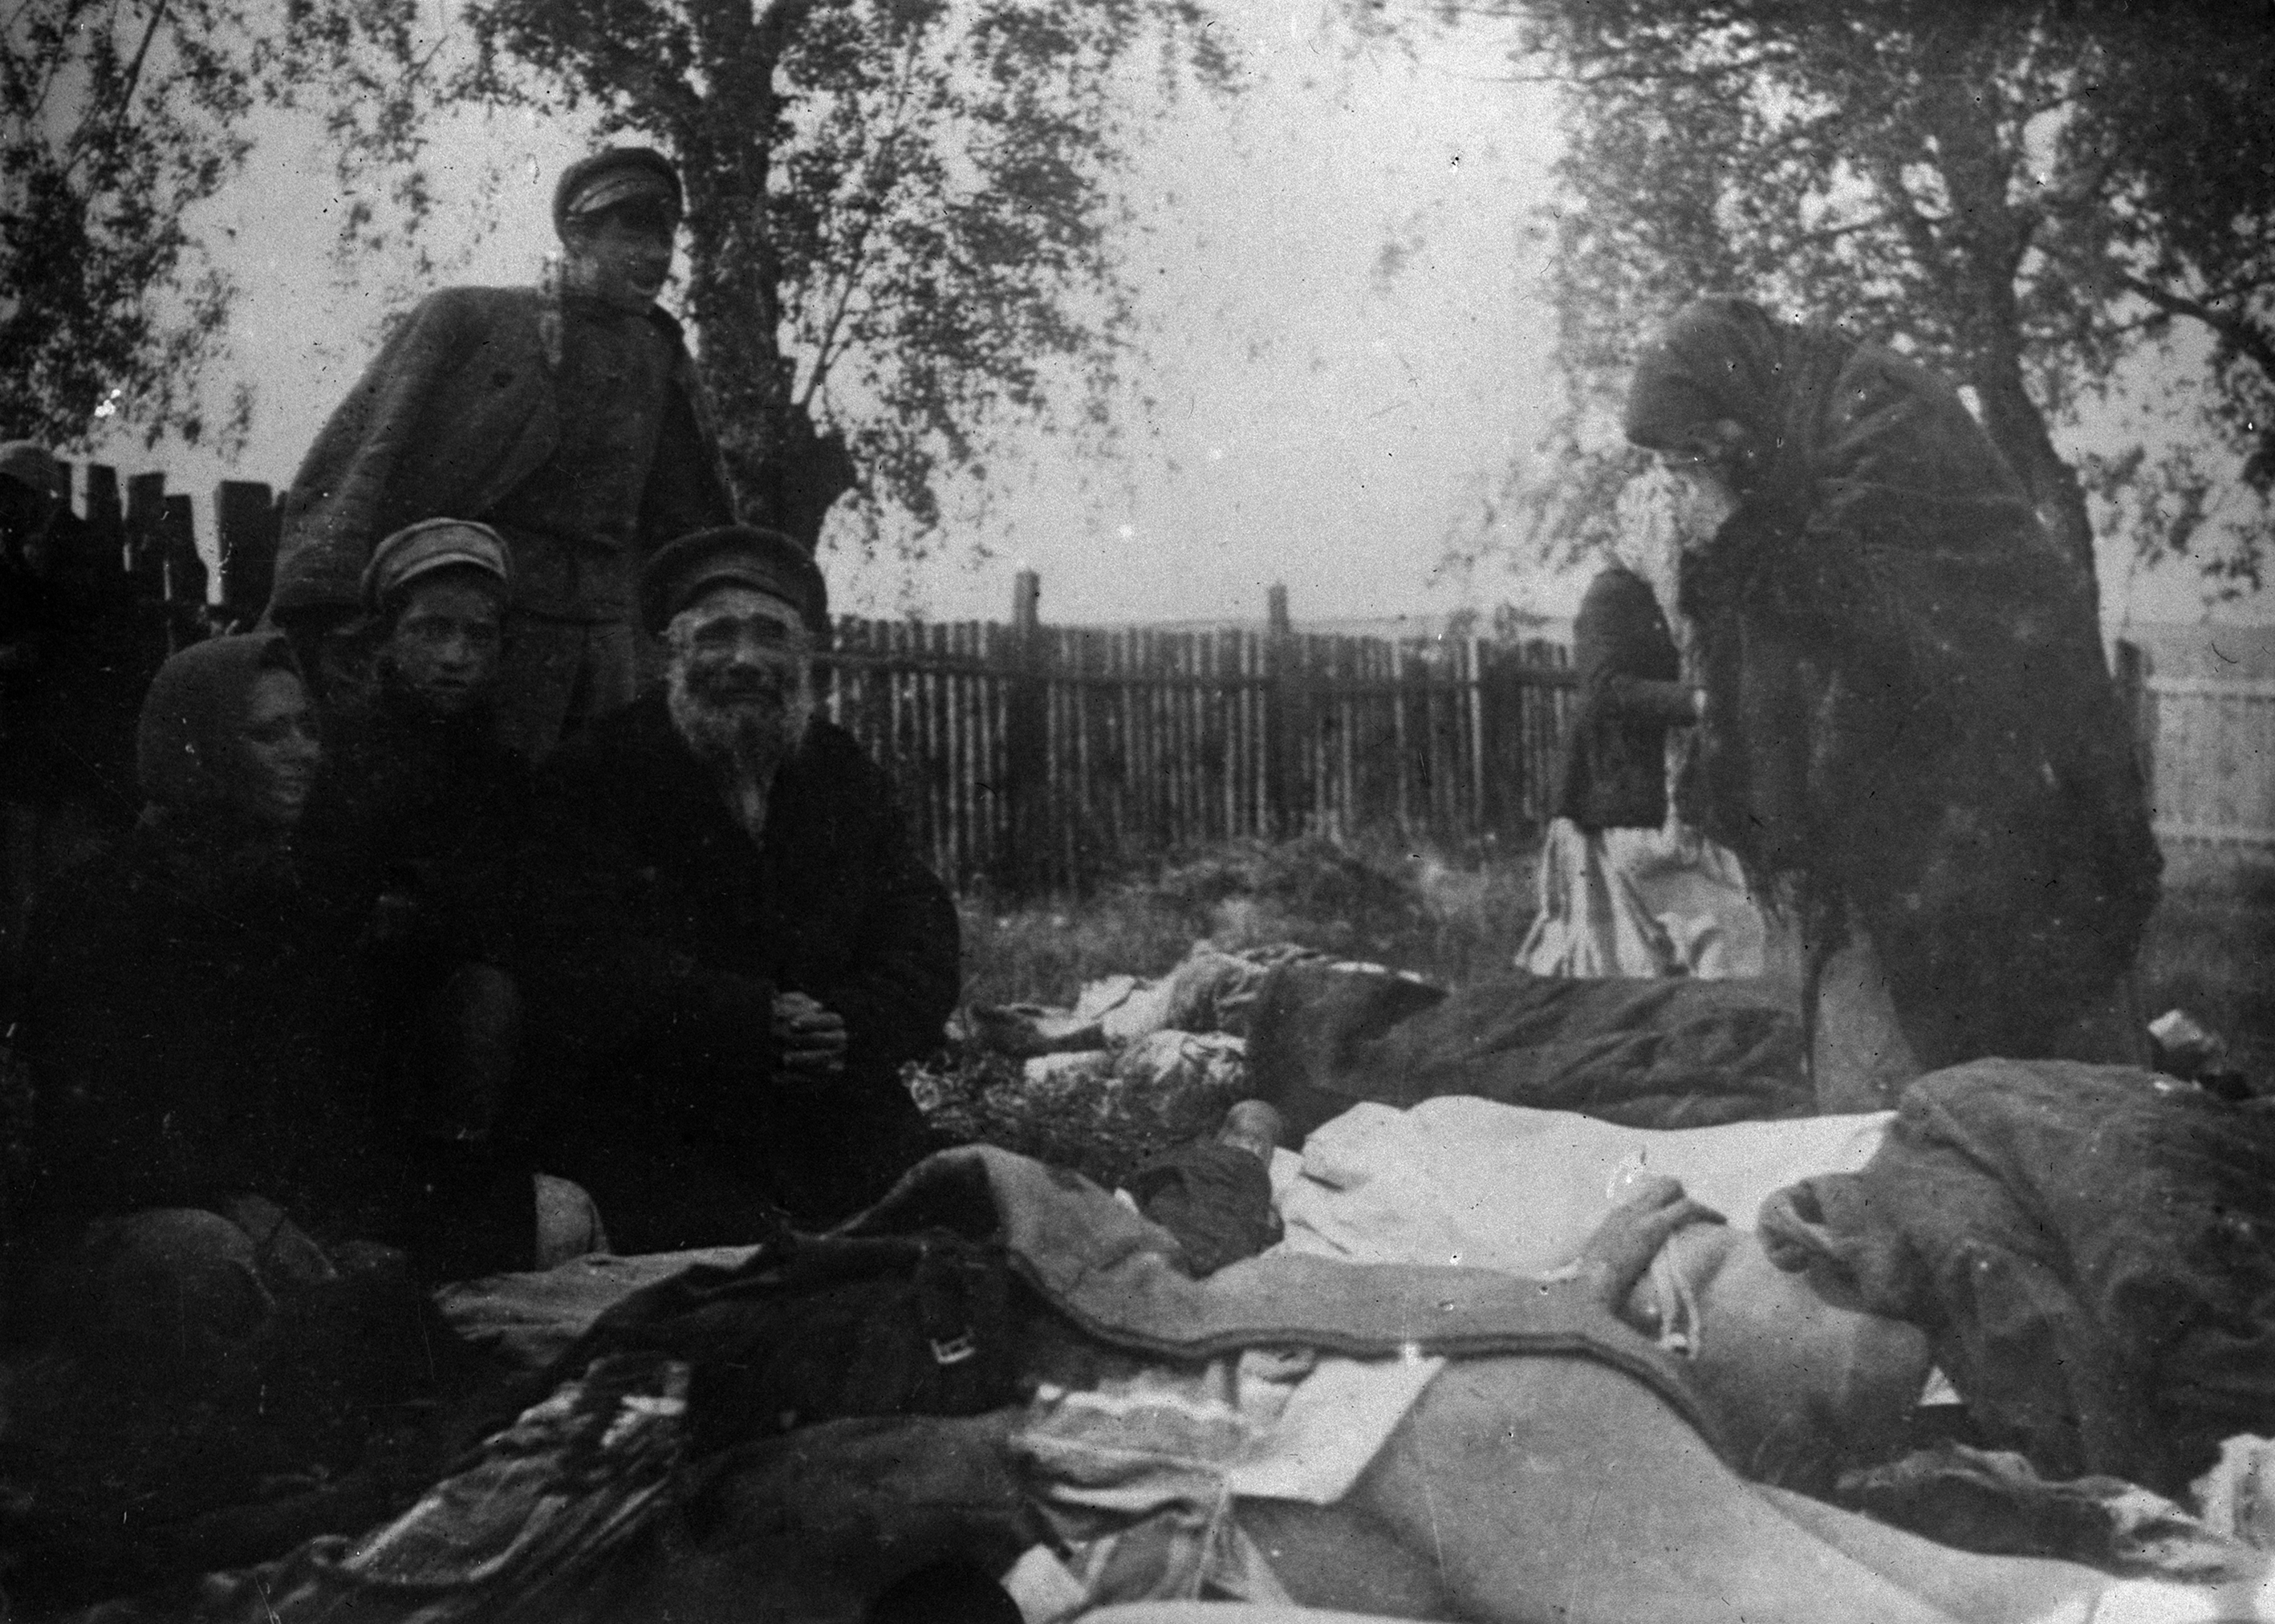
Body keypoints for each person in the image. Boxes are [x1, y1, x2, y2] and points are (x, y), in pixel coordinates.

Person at [1621, 295, 2161, 1108]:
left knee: (2043, 1101)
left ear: (1737, 401)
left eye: (1694, 452)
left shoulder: (1883, 413)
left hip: (2007, 819)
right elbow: (1782, 631)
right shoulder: (1787, 445)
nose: (1690, 475)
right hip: (1881, 841)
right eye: (1674, 463)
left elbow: (1883, 621)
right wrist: (1702, 556)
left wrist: (1733, 529)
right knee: (1885, 1115)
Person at [500, 525, 960, 1250]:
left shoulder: (841, 772)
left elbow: (920, 940)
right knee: (731, 1276)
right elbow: (574, 958)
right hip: (658, 1111)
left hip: (829, 1102)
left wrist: (850, 1024)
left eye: (770, 635)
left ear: (802, 654)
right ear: (673, 652)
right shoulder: (595, 772)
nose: (745, 659)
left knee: (947, 1233)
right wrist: (746, 1018)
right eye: (717, 635)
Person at [267, 146, 737, 758]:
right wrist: (325, 597)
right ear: (576, 234)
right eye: (632, 232)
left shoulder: (661, 356)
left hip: (609, 641)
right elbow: (364, 455)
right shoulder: (473, 320)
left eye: (664, 237)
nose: (654, 255)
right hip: (483, 624)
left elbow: (687, 516)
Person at [298, 518, 534, 1151]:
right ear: (386, 637)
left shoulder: (507, 775)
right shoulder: (332, 757)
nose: (455, 657)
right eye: (431, 630)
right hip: (350, 1023)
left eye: (478, 636)